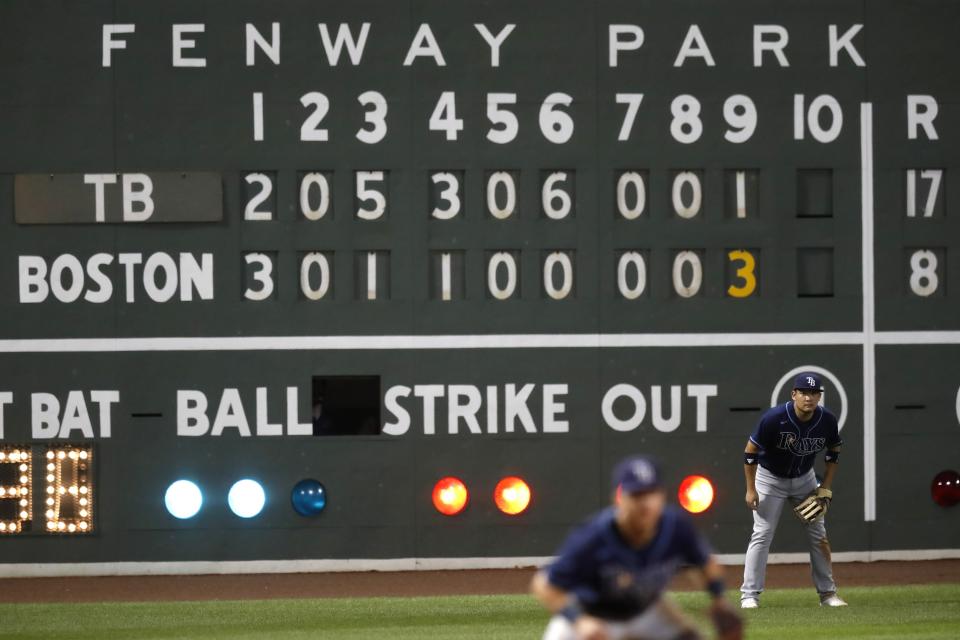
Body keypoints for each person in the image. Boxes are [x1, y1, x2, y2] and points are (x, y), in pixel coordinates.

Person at [531, 455, 743, 640]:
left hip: (645, 612)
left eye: (651, 493)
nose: (645, 503)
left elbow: (705, 563)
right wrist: (579, 621)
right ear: (619, 498)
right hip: (593, 615)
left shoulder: (676, 527)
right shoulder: (593, 537)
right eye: (637, 495)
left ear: (662, 495)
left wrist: (719, 600)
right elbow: (543, 585)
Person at [740, 372, 847, 608]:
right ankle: (749, 595)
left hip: (804, 480)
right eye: (804, 392)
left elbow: (834, 451)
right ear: (794, 394)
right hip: (769, 479)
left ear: (819, 396)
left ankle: (828, 594)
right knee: (762, 533)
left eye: (814, 393)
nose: (809, 397)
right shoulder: (775, 418)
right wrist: (751, 489)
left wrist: (826, 486)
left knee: (818, 534)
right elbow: (750, 453)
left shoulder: (827, 420)